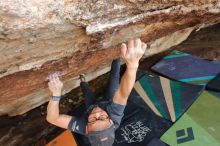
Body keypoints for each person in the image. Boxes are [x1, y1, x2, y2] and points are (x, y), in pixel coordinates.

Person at [46, 38, 147, 146]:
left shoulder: (82, 127)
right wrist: (132, 66)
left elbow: (52, 118)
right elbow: (123, 93)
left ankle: (82, 80)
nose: (97, 113)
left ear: (86, 129)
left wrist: (56, 94)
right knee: (114, 78)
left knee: (87, 93)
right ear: (111, 122)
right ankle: (117, 53)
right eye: (103, 118)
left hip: (92, 105)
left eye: (93, 120)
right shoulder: (115, 115)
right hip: (109, 100)